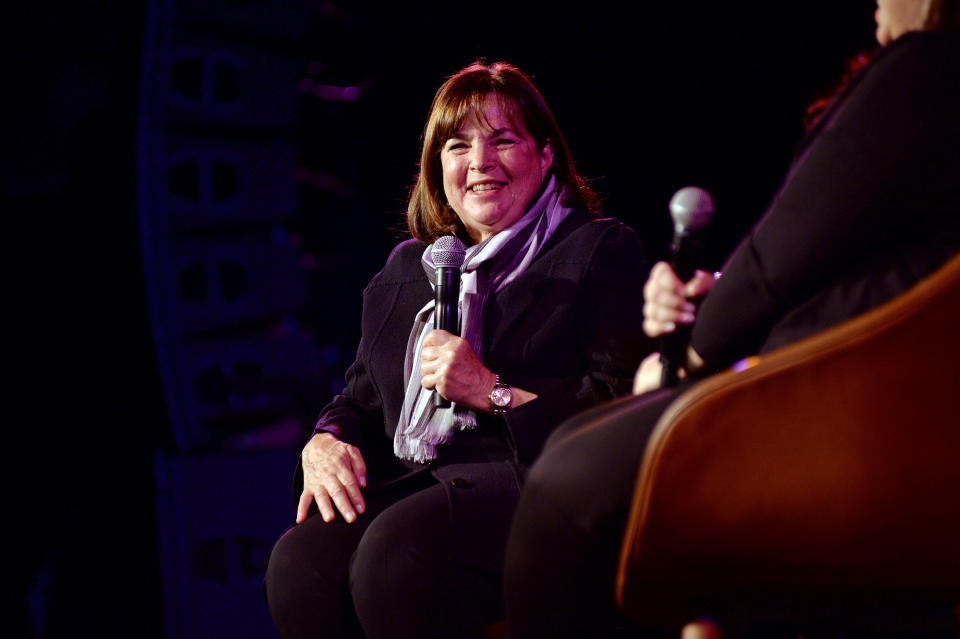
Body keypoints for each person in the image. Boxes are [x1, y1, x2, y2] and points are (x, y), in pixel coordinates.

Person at [503, 1, 960, 637]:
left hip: (841, 421)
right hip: (883, 414)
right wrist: (712, 296)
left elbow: (781, 257)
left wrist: (689, 356)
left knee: (565, 478)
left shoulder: (929, 69)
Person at [263, 61, 651, 639]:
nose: (479, 163)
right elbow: (362, 401)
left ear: (545, 157)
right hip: (421, 484)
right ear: (437, 167)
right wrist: (326, 441)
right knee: (300, 563)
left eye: (504, 140)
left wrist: (489, 391)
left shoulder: (598, 252)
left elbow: (625, 414)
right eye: (458, 145)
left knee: (397, 552)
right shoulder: (407, 271)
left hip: (544, 490)